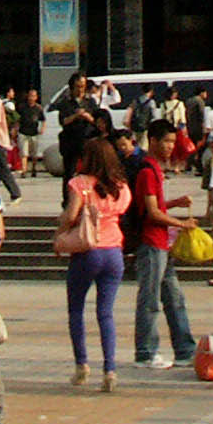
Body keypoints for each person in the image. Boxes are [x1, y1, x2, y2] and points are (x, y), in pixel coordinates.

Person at [119, 118, 198, 368]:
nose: (169, 146)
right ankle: (145, 352)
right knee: (150, 299)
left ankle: (185, 349)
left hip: (161, 242)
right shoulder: (147, 170)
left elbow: (153, 205)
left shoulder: (153, 168)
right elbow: (152, 212)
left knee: (174, 298)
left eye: (173, 141)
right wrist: (180, 223)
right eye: (165, 141)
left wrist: (174, 204)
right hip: (151, 242)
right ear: (152, 140)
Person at [60, 138, 129, 392]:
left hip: (87, 251)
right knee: (106, 312)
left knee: (76, 309)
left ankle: (82, 366)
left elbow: (70, 216)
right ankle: (110, 369)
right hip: (114, 253)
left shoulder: (80, 184)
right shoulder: (120, 186)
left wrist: (59, 234)